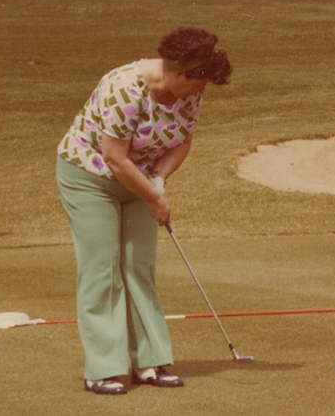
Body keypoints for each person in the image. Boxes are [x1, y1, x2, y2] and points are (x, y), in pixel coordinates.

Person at [55, 26, 232, 395]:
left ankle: (150, 362)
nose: (200, 92)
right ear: (178, 72)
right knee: (102, 267)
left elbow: (182, 142)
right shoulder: (124, 88)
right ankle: (103, 368)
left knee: (140, 267)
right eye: (198, 83)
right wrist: (154, 197)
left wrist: (159, 179)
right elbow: (114, 158)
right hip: (89, 177)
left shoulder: (188, 95)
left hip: (138, 179)